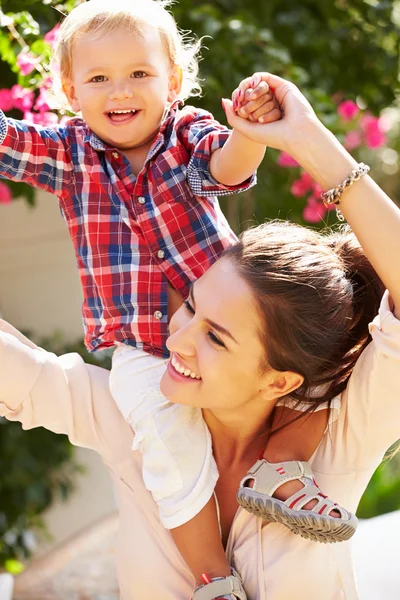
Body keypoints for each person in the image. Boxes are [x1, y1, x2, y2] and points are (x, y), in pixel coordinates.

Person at [0, 1, 357, 597]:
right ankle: (212, 574)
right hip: (139, 348)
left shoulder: (185, 135)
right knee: (168, 448)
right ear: (69, 90)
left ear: (174, 80)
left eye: (140, 73)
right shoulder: (68, 155)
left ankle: (281, 469)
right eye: (98, 78)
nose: (121, 90)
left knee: (316, 371)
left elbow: (228, 166)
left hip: (231, 325)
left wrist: (248, 133)